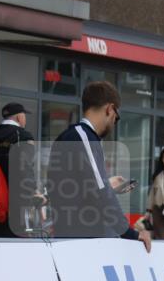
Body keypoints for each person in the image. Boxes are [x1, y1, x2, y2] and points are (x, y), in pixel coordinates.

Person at [45, 81, 151, 252]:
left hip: (68, 237)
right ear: (110, 109)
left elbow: (69, 187)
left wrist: (107, 185)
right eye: (116, 118)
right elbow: (99, 192)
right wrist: (129, 232)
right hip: (84, 240)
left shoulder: (69, 136)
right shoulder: (85, 137)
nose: (114, 123)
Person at [0, 102, 40, 238]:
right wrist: (33, 193)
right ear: (19, 117)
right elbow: (26, 171)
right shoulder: (24, 136)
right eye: (24, 116)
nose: (25, 119)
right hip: (15, 208)